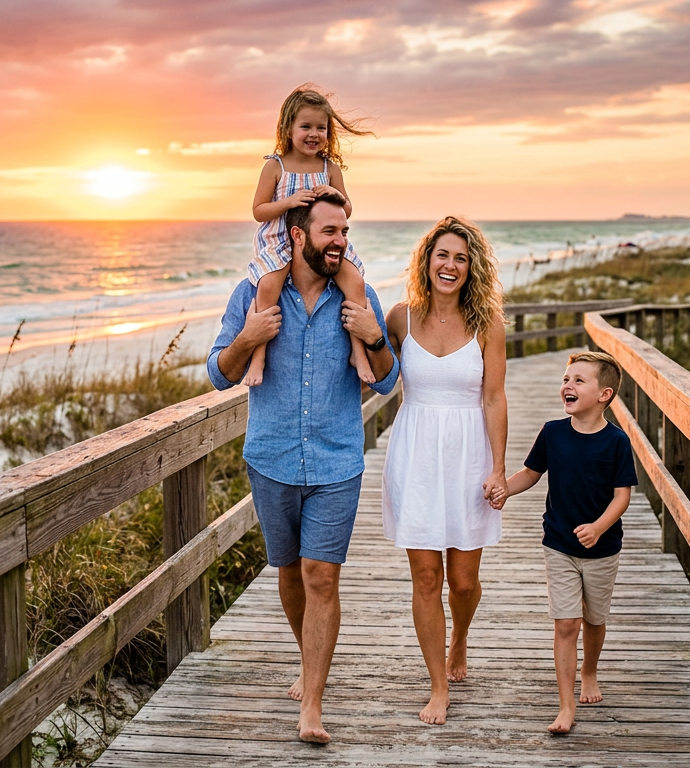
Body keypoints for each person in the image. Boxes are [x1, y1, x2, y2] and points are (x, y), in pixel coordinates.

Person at [207, 192, 399, 744]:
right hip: (270, 458)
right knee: (289, 572)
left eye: (344, 231)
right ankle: (308, 660)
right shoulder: (253, 293)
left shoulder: (357, 294)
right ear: (297, 235)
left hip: (337, 458)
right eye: (329, 232)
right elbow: (219, 374)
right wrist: (250, 337)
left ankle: (312, 702)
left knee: (321, 575)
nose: (340, 241)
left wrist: (373, 336)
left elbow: (385, 379)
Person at [381, 216, 508, 725]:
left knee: (463, 580)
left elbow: (495, 397)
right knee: (426, 575)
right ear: (426, 261)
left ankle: (461, 640)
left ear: (471, 267)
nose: (450, 266)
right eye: (442, 256)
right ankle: (438, 684)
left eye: (460, 258)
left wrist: (499, 468)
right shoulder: (399, 318)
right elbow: (375, 369)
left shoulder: (487, 323)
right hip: (415, 454)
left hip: (468, 454)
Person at [498, 351, 638, 734]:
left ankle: (589, 671)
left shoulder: (616, 442)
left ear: (604, 394)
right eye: (566, 379)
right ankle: (566, 704)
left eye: (579, 380)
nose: (568, 386)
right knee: (566, 624)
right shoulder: (553, 433)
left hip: (602, 549)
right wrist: (503, 490)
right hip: (558, 543)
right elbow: (530, 473)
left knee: (594, 619)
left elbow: (622, 496)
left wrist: (598, 527)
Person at [243, 84, 375, 388]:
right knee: (268, 286)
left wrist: (334, 194)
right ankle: (259, 355)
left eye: (321, 127)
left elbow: (348, 208)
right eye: (306, 126)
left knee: (355, 282)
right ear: (288, 129)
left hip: (323, 245)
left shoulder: (329, 168)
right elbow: (259, 210)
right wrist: (288, 202)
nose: (314, 134)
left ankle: (359, 352)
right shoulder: (275, 166)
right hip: (280, 241)